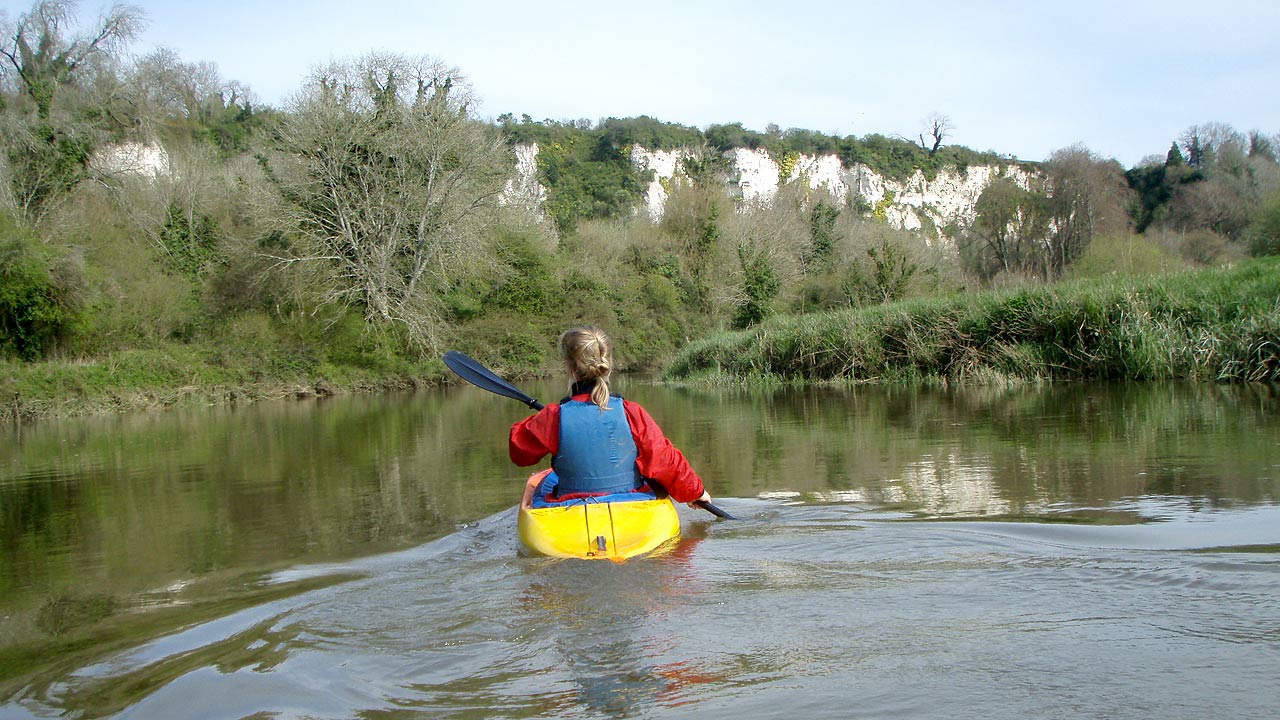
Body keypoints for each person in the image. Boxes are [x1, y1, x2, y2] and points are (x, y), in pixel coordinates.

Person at [510, 326, 712, 510]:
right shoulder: (631, 411)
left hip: (571, 508)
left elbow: (519, 453)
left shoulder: (553, 416)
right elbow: (664, 459)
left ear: (569, 367)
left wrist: (538, 422)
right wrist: (695, 492)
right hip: (630, 506)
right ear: (608, 363)